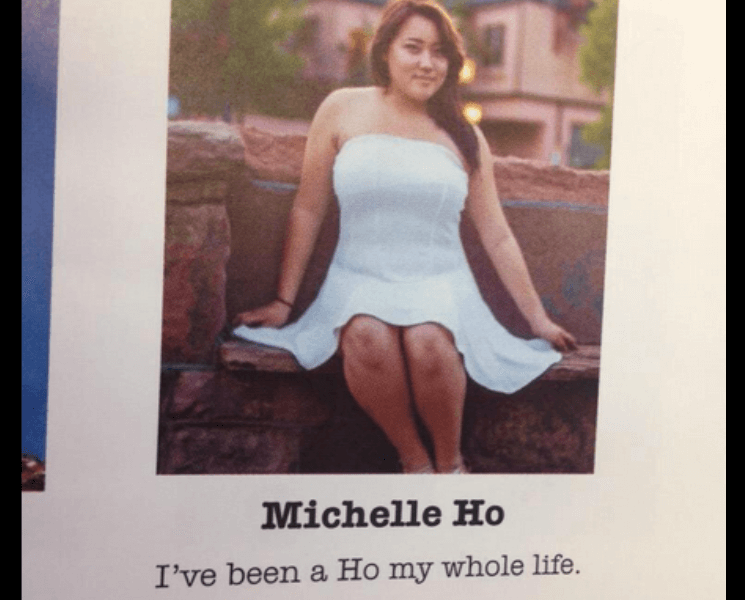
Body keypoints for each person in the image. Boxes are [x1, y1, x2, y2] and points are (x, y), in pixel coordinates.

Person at [233, 0, 577, 474]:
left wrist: (537, 320)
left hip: (440, 279)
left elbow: (496, 234)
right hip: (358, 276)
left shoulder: (465, 137)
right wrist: (283, 303)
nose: (426, 62)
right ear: (386, 52)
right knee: (367, 338)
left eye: (438, 53)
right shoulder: (340, 109)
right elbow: (309, 209)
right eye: (413, 48)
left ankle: (451, 465)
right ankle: (414, 462)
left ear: (450, 65)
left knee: (430, 343)